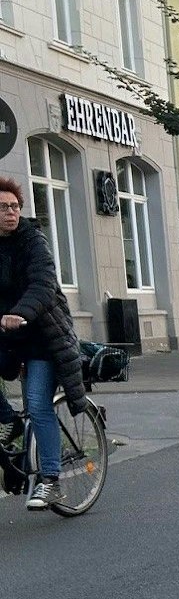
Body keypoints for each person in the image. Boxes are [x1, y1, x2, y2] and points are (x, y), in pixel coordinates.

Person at [0, 176, 92, 511]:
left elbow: (43, 283)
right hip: (9, 338)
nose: (11, 212)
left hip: (43, 336)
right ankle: (9, 421)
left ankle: (50, 479)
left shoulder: (32, 241)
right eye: (3, 207)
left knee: (38, 403)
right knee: (19, 411)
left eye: (14, 206)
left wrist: (19, 313)